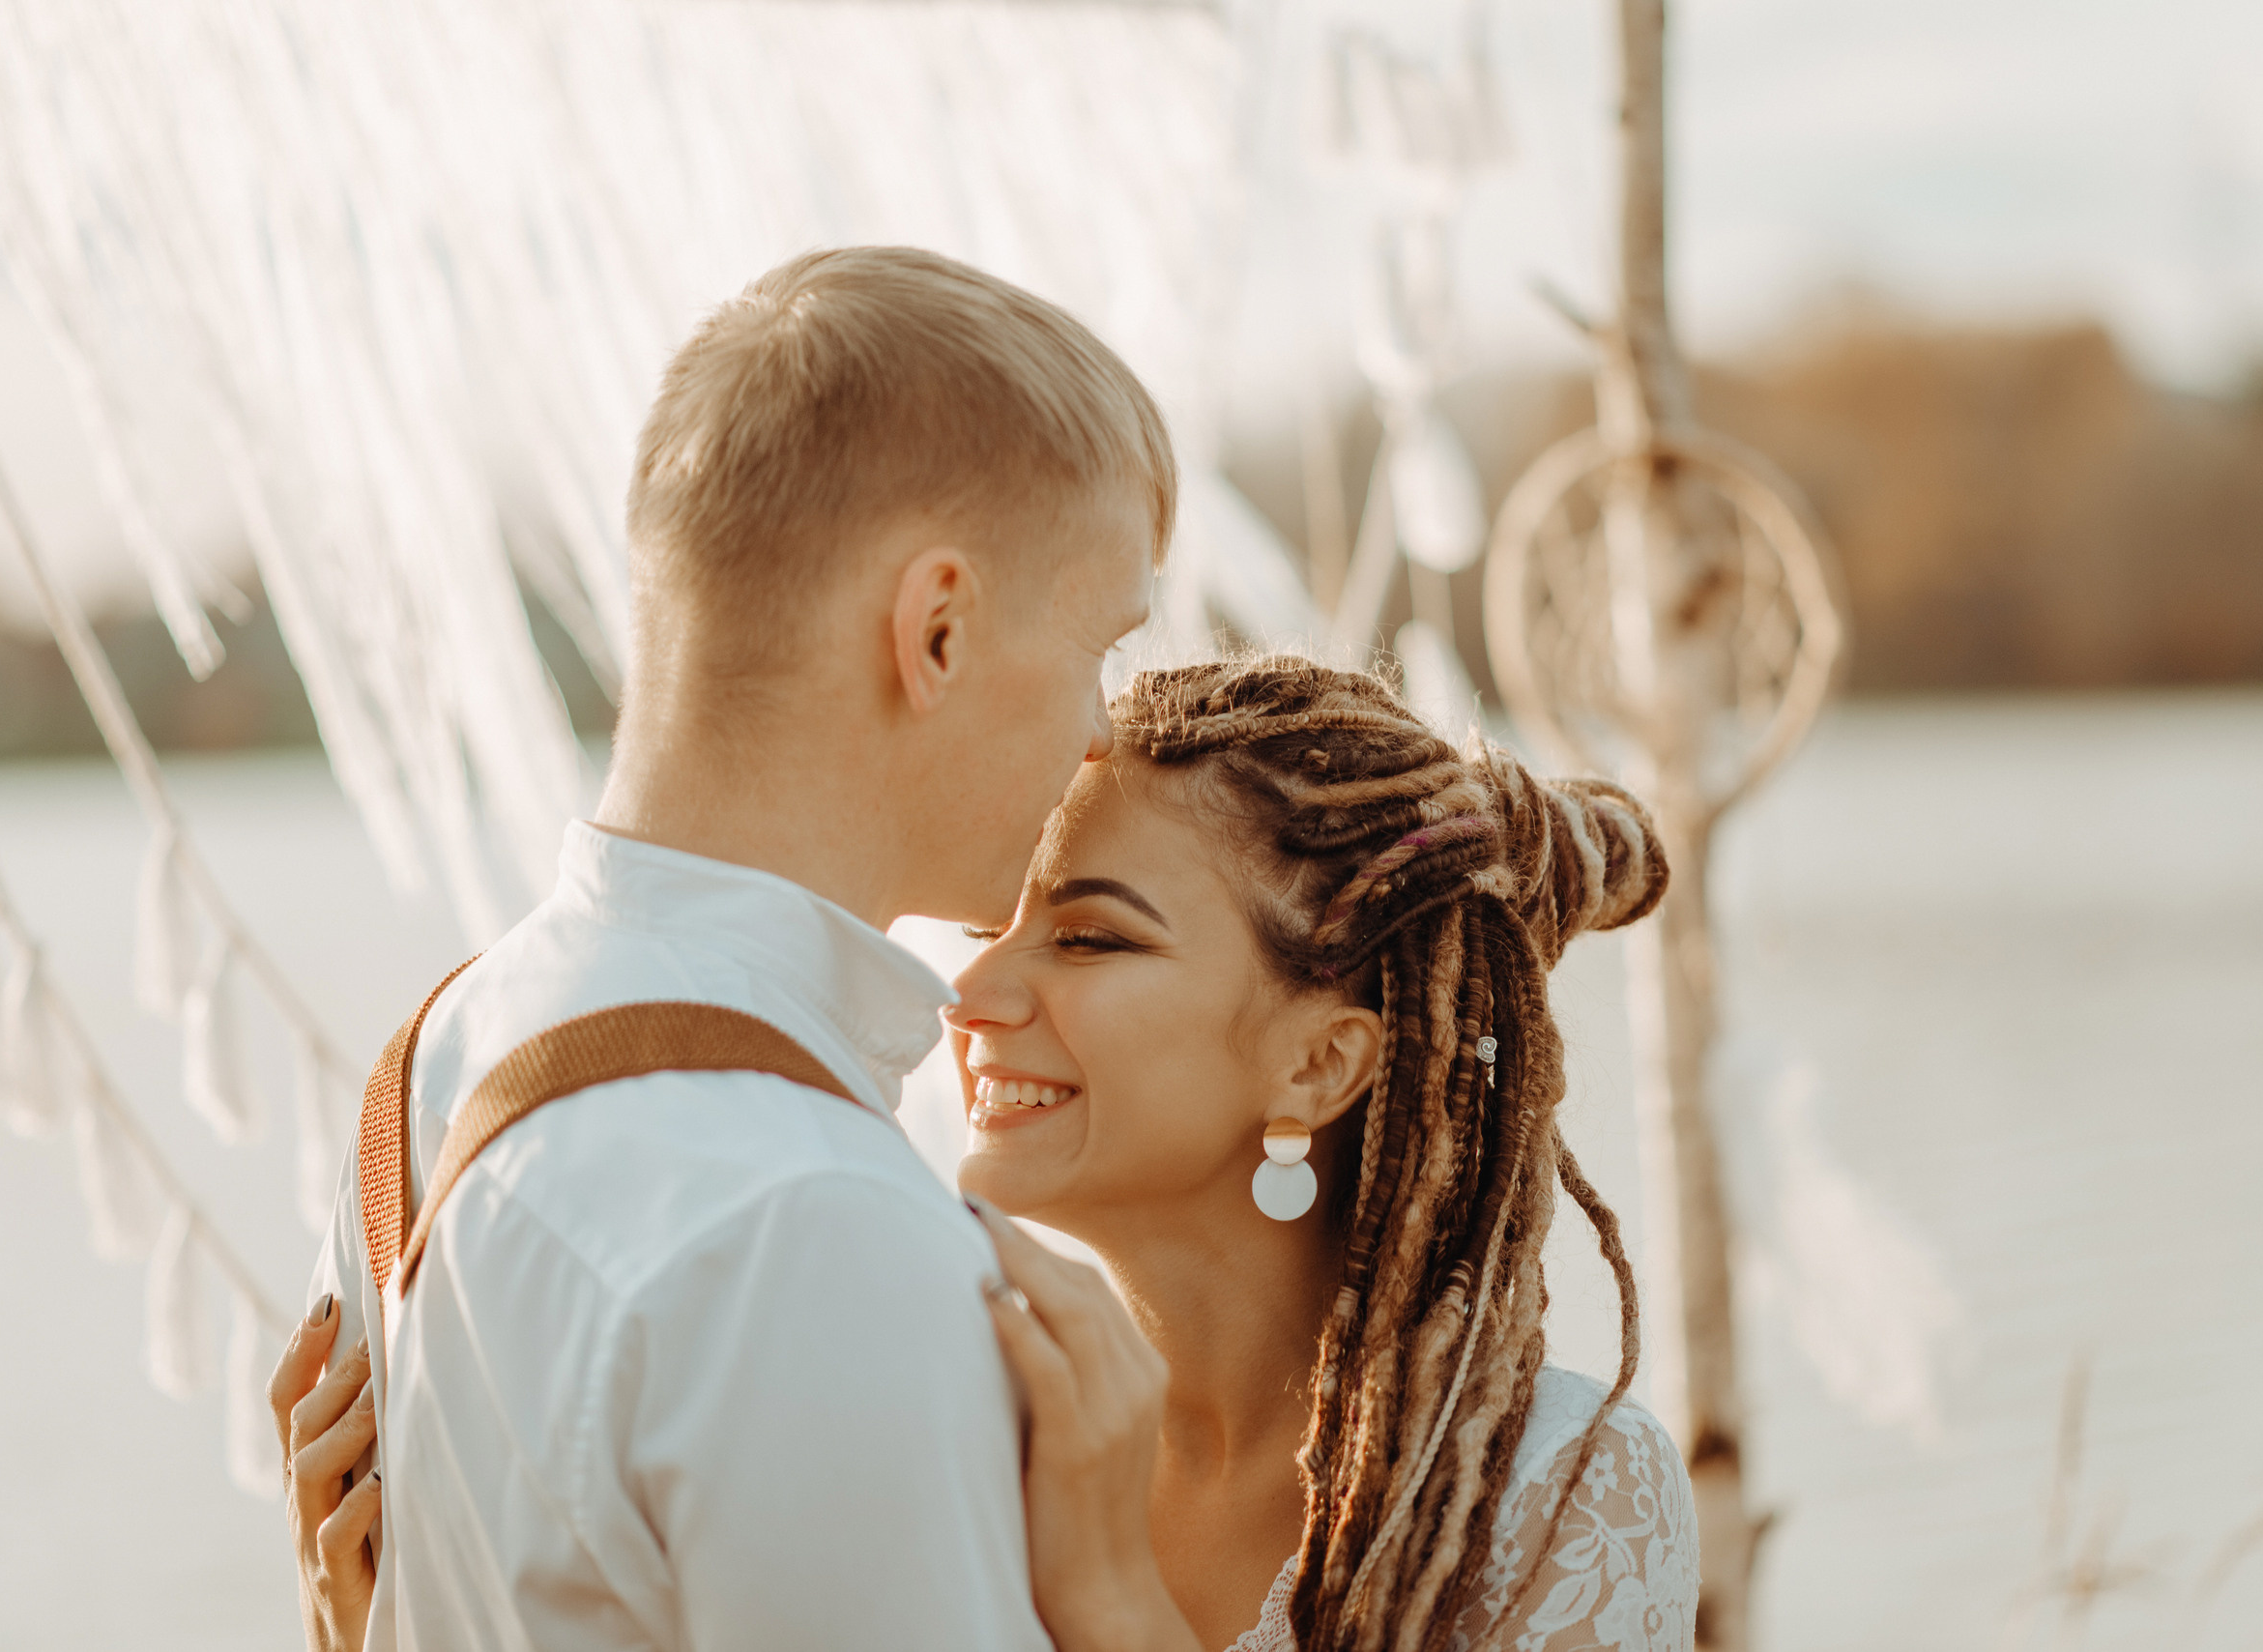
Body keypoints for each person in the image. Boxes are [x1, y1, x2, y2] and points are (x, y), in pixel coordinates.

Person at [279, 651, 1702, 1648]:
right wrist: (400, 1618)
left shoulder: (1565, 1495)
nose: (971, 995)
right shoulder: (934, 1382)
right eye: (990, 927)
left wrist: (1112, 1607)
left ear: (1319, 1060)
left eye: (1088, 936)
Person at [271, 244, 1175, 1652]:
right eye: (1098, 651)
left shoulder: (433, 1060)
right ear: (936, 631)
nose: (1104, 735)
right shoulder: (817, 1228)